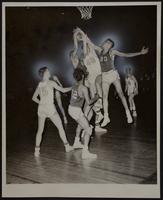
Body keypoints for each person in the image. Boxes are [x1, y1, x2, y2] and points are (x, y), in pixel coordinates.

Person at [81, 35, 148, 126]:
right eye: (106, 42)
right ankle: (106, 117)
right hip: (104, 76)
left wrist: (140, 53)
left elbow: (125, 54)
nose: (107, 44)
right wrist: (83, 36)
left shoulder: (112, 52)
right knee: (105, 97)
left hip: (113, 74)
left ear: (110, 46)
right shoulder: (99, 50)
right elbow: (90, 43)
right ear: (104, 43)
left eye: (109, 44)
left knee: (120, 93)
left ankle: (128, 113)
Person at [32, 66, 73, 157]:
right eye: (48, 71)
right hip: (49, 108)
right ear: (45, 73)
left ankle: (36, 151)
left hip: (41, 108)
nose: (50, 72)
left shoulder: (40, 84)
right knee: (60, 127)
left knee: (40, 130)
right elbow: (62, 90)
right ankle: (67, 146)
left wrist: (42, 103)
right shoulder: (51, 82)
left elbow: (34, 98)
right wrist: (73, 87)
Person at [73, 28, 106, 132]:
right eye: (84, 49)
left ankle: (97, 120)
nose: (85, 49)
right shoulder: (83, 58)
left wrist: (81, 33)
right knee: (92, 100)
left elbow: (87, 41)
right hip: (90, 77)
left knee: (98, 94)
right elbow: (78, 46)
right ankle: (98, 118)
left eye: (86, 47)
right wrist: (77, 37)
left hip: (99, 74)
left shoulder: (92, 51)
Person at [68, 67, 99, 159]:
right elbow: (89, 102)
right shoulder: (84, 88)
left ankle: (76, 142)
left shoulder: (74, 85)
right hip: (76, 110)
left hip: (71, 108)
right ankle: (85, 153)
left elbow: (78, 98)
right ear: (82, 76)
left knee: (81, 125)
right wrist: (96, 97)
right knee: (88, 129)